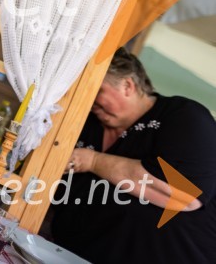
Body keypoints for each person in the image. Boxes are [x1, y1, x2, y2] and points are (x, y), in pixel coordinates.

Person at [51, 48, 216, 263]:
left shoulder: (183, 117)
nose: (89, 100)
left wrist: (92, 161)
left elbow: (184, 194)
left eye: (96, 90)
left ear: (127, 85)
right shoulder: (84, 122)